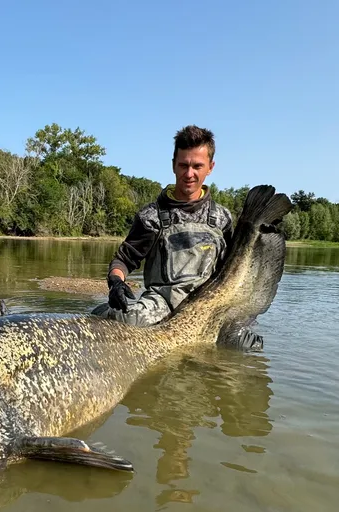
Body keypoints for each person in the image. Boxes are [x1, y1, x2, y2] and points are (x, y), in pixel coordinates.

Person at [91, 125, 264, 351]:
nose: (189, 174)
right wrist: (116, 282)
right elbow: (124, 260)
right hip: (163, 303)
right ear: (173, 165)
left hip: (209, 306)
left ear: (210, 167)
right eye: (183, 165)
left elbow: (230, 270)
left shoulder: (222, 218)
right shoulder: (151, 216)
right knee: (121, 320)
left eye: (197, 166)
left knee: (248, 347)